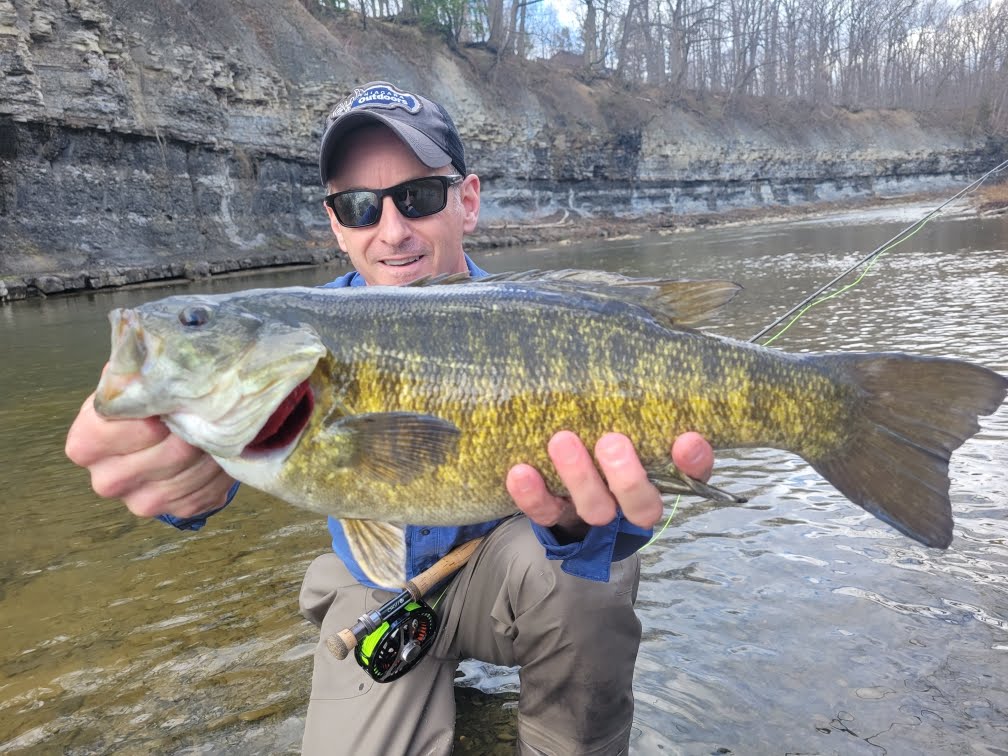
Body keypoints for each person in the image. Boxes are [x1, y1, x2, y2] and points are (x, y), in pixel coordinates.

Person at [65, 81, 715, 755]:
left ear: (467, 201)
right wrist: (171, 476)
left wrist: (586, 525)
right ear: (336, 225)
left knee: (590, 582)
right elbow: (212, 468)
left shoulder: (539, 320)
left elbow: (607, 534)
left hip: (513, 573)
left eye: (419, 197)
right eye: (360, 206)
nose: (393, 229)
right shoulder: (297, 333)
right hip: (375, 587)